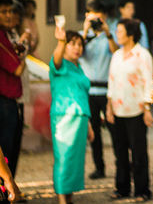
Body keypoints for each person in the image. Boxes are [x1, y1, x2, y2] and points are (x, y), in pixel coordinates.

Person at [106, 18, 153, 202]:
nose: (117, 34)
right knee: (120, 152)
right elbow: (111, 81)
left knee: (139, 152)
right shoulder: (116, 55)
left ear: (131, 34)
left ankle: (142, 190)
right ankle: (122, 188)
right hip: (117, 110)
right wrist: (109, 107)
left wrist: (147, 108)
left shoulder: (143, 55)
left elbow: (148, 83)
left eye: (120, 31)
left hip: (136, 110)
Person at [49, 26, 94, 204]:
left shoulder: (79, 67)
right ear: (64, 45)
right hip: (64, 117)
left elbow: (82, 96)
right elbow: (57, 58)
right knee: (64, 158)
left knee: (75, 160)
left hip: (81, 118)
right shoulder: (58, 64)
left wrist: (89, 123)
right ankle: (62, 199)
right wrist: (60, 42)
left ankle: (69, 196)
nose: (77, 48)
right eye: (72, 44)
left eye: (80, 45)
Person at [79, 0, 119, 180]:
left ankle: (122, 165)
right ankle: (99, 167)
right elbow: (78, 53)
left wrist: (108, 34)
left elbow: (117, 54)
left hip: (106, 91)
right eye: (94, 18)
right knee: (93, 133)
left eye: (100, 18)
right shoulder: (80, 37)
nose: (97, 22)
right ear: (87, 16)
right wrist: (86, 30)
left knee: (115, 130)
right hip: (88, 92)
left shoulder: (110, 36)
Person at [0, 0, 26, 179]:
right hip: (3, 103)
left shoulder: (7, 36)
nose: (9, 16)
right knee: (6, 150)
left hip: (10, 102)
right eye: (4, 12)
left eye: (10, 11)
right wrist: (23, 55)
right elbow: (17, 69)